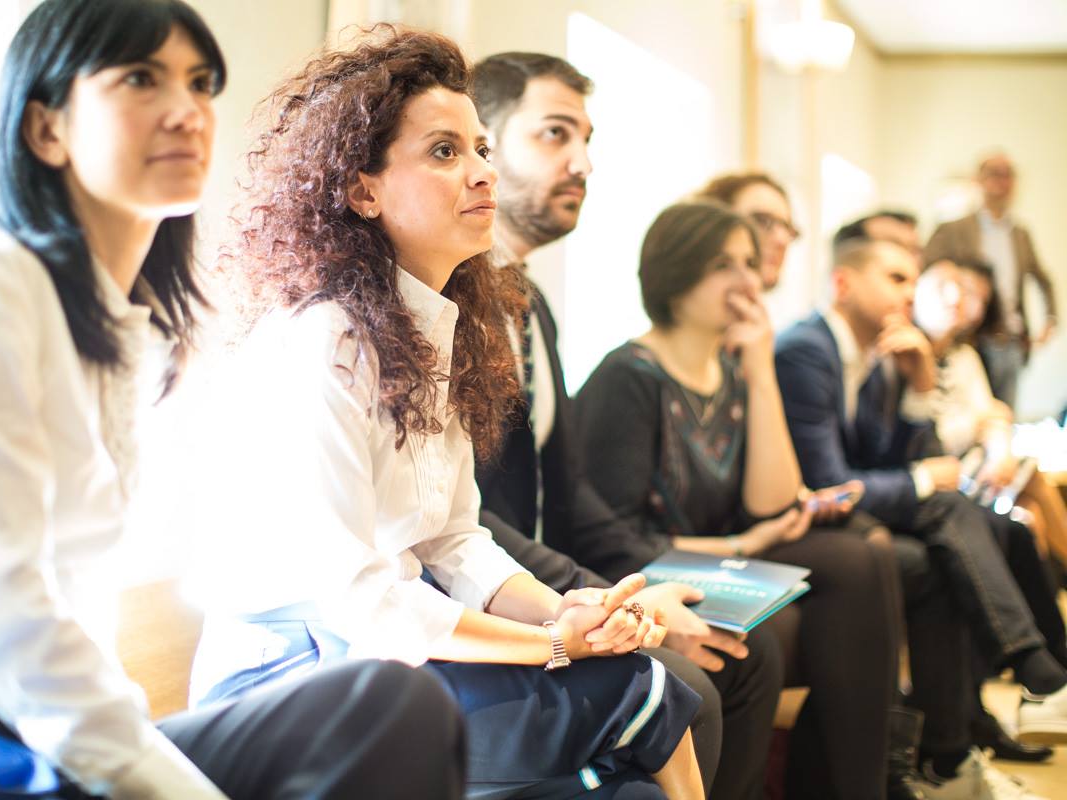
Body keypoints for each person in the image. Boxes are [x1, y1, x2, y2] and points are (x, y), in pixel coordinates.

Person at [0, 3, 467, 799]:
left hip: (52, 729)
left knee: (391, 706)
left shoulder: (127, 326)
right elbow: (15, 634)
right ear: (46, 129)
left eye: (200, 82)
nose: (187, 110)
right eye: (141, 79)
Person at [188, 28, 703, 800]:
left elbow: (453, 540)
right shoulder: (322, 341)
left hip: (387, 654)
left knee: (630, 761)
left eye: (481, 149)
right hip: (294, 682)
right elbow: (360, 598)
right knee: (642, 690)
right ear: (362, 190)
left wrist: (569, 613)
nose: (482, 173)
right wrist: (553, 645)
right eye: (444, 152)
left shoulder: (428, 332)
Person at [471, 53, 784, 800]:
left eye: (586, 139)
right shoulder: (445, 308)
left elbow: (571, 495)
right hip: (483, 604)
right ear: (483, 143)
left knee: (747, 644)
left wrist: (654, 584)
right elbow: (457, 523)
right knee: (688, 686)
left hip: (547, 582)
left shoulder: (530, 306)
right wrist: (606, 598)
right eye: (554, 134)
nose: (582, 162)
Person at [573, 201, 899, 800]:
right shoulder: (629, 375)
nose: (748, 281)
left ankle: (857, 786)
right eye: (724, 265)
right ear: (677, 274)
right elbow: (613, 537)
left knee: (862, 558)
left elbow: (772, 502)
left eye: (750, 263)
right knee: (794, 618)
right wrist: (740, 544)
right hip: (641, 570)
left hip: (713, 558)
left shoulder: (730, 371)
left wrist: (760, 368)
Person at [775, 230, 1067, 798]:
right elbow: (833, 482)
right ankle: (1030, 679)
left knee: (971, 534)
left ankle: (959, 746)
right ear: (843, 282)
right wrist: (921, 479)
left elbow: (905, 457)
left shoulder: (881, 353)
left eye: (913, 279)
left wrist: (919, 386)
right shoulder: (807, 349)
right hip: (806, 518)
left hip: (870, 511)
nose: (910, 293)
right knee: (949, 519)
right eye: (896, 278)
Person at [914, 259, 1067, 573]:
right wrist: (981, 425)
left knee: (1030, 510)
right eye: (943, 289)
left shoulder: (963, 356)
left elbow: (994, 416)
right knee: (1030, 499)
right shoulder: (914, 356)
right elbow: (939, 437)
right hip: (951, 470)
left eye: (962, 291)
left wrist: (999, 451)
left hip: (979, 463)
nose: (956, 300)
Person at [925, 154, 1058, 407]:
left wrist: (1050, 319)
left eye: (1007, 175)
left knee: (1003, 412)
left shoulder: (1020, 235)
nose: (1001, 182)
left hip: (1009, 341)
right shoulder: (954, 229)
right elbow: (928, 269)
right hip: (967, 340)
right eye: (993, 174)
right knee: (965, 409)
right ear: (978, 180)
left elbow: (1042, 278)